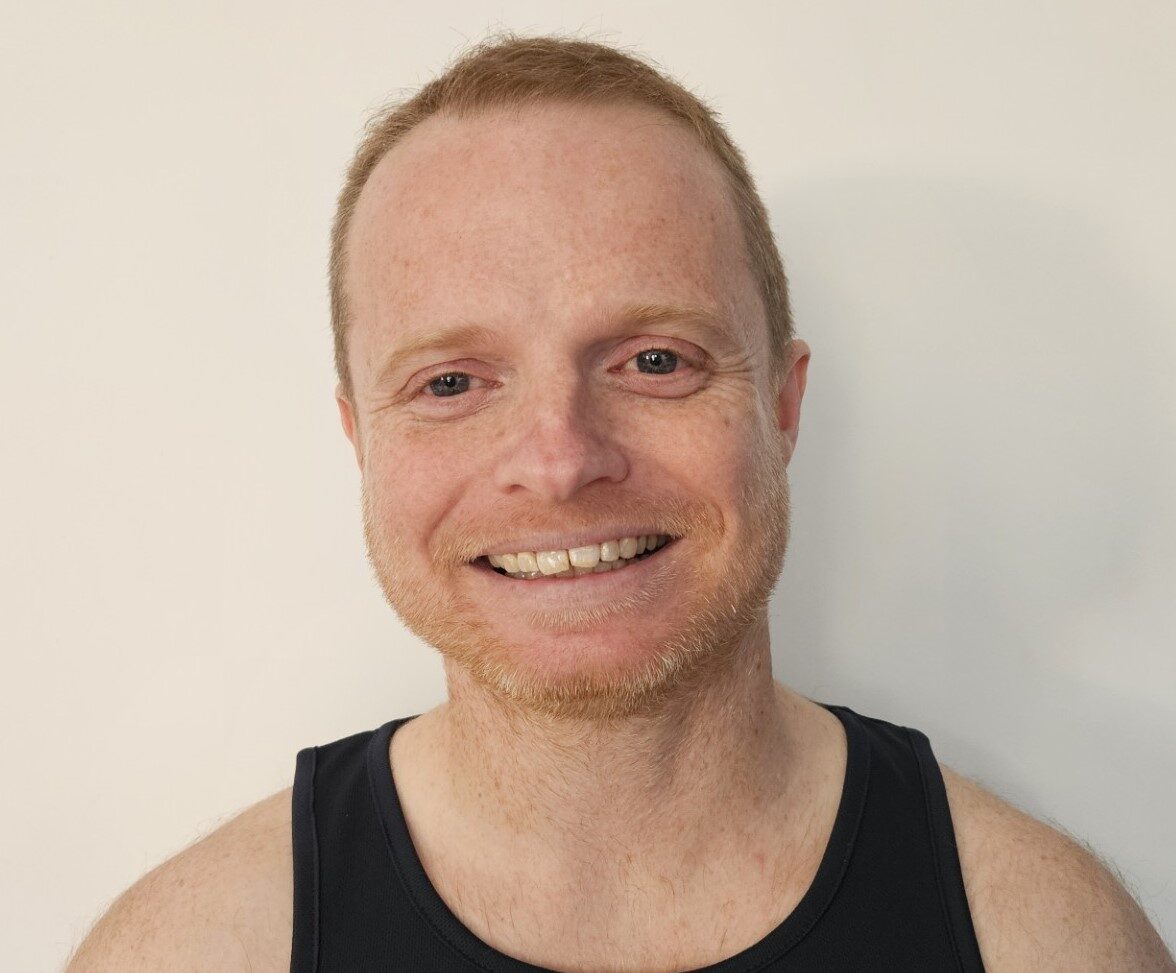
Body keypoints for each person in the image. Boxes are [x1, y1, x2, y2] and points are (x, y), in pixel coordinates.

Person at [66, 34, 1173, 973]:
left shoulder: (1040, 939)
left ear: (783, 408)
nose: (559, 460)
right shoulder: (197, 948)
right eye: (451, 384)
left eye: (655, 361)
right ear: (362, 441)